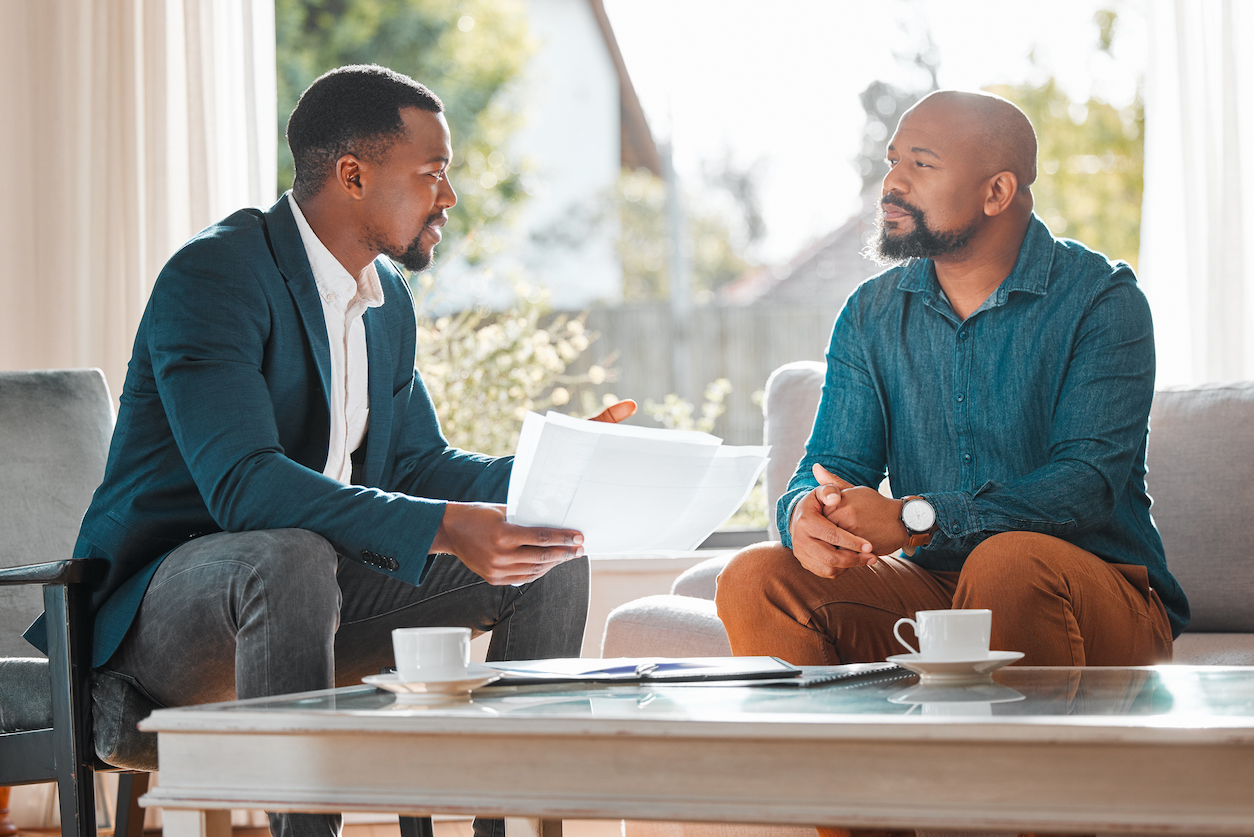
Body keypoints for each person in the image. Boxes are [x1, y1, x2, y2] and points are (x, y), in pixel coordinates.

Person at [24, 64, 633, 837]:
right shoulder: (215, 275)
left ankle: (508, 824)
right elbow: (246, 486)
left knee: (549, 554)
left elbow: (415, 465)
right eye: (433, 173)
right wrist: (446, 526)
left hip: (315, 597)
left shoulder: (386, 306)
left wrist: (563, 473)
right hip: (159, 625)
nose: (449, 197)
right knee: (290, 555)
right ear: (353, 174)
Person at [715, 90, 1186, 676]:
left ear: (997, 192)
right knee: (755, 576)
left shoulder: (1101, 299)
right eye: (892, 161)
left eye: (921, 163)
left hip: (1093, 590)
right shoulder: (870, 313)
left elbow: (1084, 486)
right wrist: (804, 518)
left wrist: (915, 516)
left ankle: (1012, 769)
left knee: (1007, 564)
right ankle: (834, 769)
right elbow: (828, 467)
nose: (893, 182)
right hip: (931, 591)